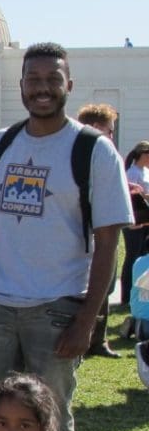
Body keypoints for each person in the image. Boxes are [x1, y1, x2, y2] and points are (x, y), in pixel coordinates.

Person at [0, 43, 132, 431]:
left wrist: (87, 318)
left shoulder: (93, 149)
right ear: (21, 87)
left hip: (56, 309)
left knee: (49, 420)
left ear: (68, 85)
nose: (43, 88)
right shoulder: (2, 144)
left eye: (53, 79)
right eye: (33, 80)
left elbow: (109, 240)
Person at [77, 104, 122, 357]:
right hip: (85, 239)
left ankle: (98, 339)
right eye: (109, 130)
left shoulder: (108, 157)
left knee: (105, 288)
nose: (111, 136)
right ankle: (88, 336)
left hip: (104, 237)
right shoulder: (78, 155)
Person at [121, 140, 149, 306]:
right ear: (144, 155)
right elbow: (132, 197)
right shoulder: (132, 173)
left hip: (145, 220)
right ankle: (126, 296)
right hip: (134, 221)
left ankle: (140, 294)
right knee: (132, 257)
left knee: (142, 257)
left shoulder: (145, 171)